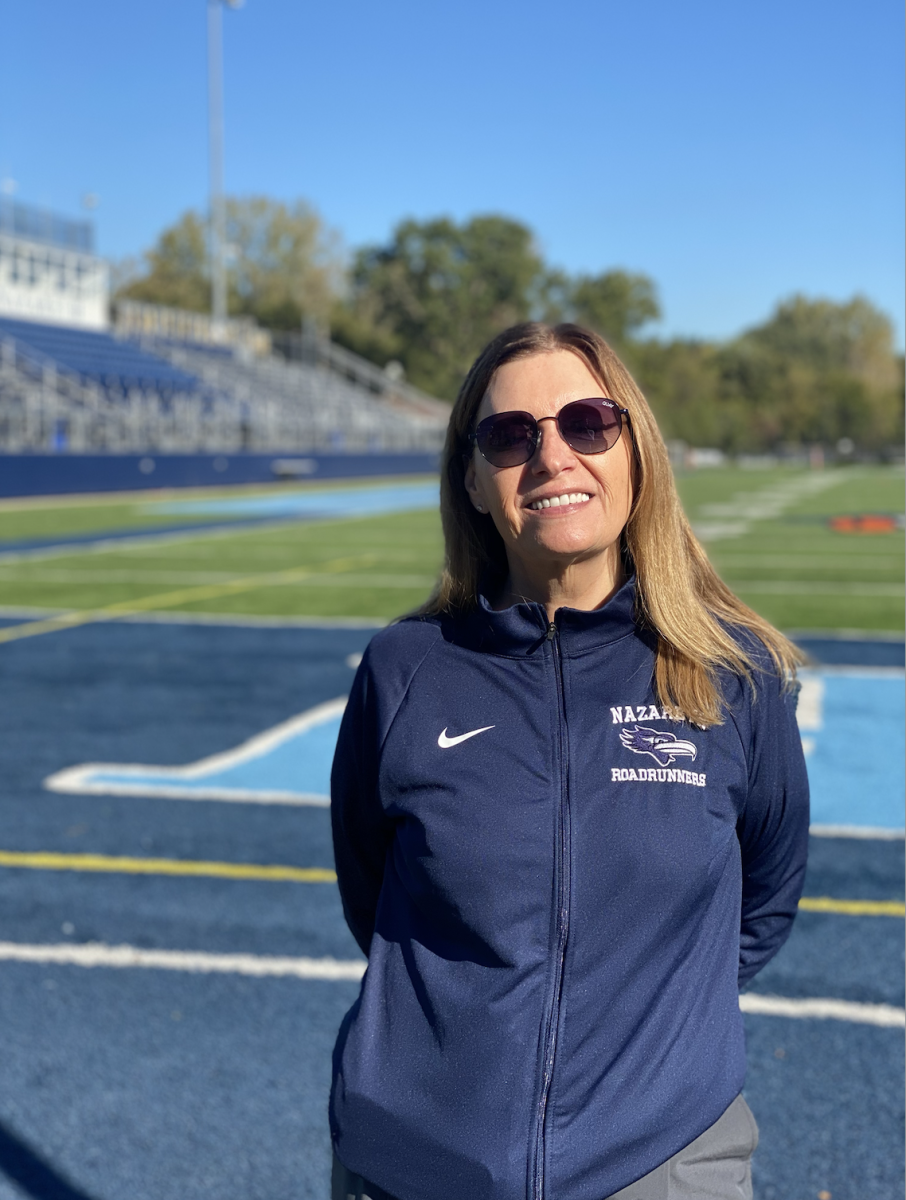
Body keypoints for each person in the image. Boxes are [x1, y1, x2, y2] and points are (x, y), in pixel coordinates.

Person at [329, 322, 810, 1200]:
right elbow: (375, 895)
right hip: (412, 1164)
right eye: (510, 436)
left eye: (589, 422)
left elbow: (764, 895)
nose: (552, 455)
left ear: (637, 454)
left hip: (660, 1163)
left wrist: (651, 1038)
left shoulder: (734, 675)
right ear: (474, 481)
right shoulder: (404, 670)